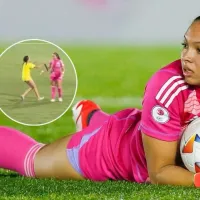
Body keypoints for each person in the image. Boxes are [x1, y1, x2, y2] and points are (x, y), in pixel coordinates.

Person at [1, 16, 200, 187]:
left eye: (199, 50)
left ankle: (92, 117)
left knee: (129, 129)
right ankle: (95, 126)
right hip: (111, 153)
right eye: (185, 45)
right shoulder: (168, 87)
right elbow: (159, 173)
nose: (186, 57)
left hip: (137, 130)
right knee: (33, 161)